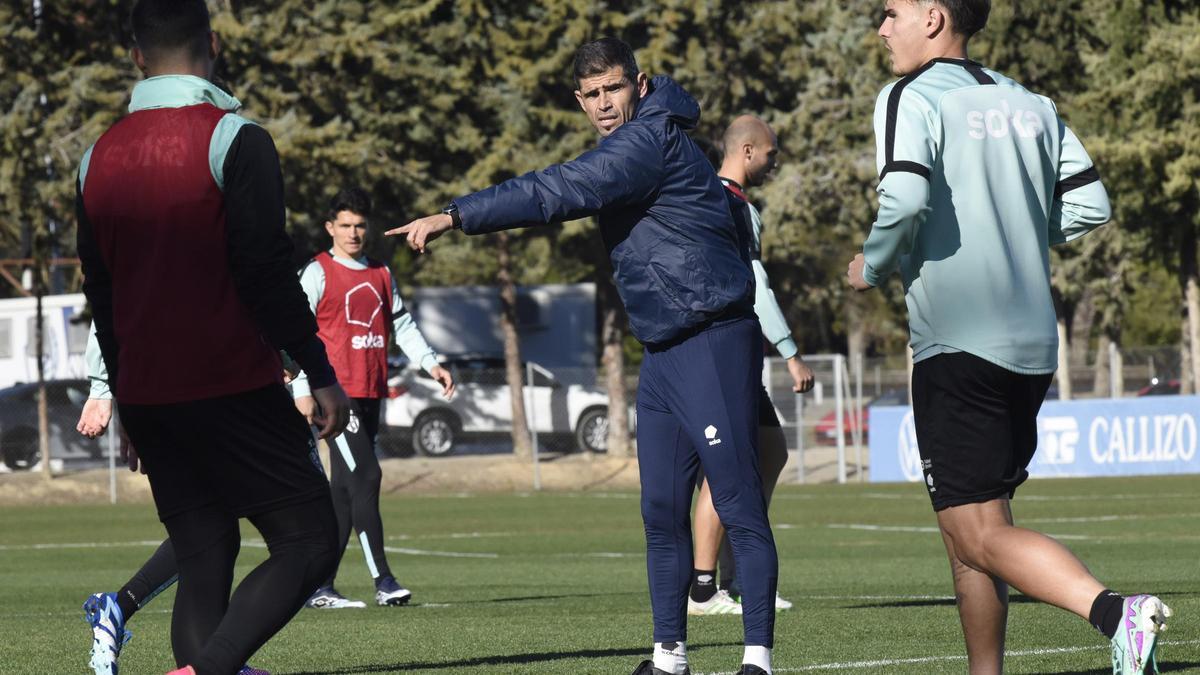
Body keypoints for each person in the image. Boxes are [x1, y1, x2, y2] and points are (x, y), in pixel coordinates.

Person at [389, 37, 778, 675]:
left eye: (614, 89)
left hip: (709, 339)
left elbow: (557, 190)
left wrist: (456, 215)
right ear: (579, 99)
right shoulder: (642, 141)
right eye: (592, 95)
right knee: (659, 510)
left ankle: (757, 659)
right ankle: (668, 657)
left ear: (640, 85)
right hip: (662, 350)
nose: (603, 104)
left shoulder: (647, 141)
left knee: (734, 500)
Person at [846, 2, 1170, 674]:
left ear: (933, 17)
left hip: (958, 340)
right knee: (970, 533)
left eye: (891, 13)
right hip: (1029, 345)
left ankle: (1115, 612)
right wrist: (1015, 227)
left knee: (978, 531)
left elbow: (903, 198)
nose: (881, 28)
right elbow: (1089, 203)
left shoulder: (909, 94)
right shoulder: (1029, 101)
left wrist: (871, 265)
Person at [75, 1, 351, 673]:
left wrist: (125, 397)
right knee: (311, 537)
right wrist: (319, 371)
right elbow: (265, 274)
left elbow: (102, 295)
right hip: (229, 380)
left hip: (150, 395)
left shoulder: (95, 157)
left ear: (137, 56)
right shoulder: (236, 138)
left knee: (205, 548)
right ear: (215, 44)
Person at [291, 187, 455, 609]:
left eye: (360, 225)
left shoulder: (381, 272)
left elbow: (402, 325)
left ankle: (319, 585)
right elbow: (292, 334)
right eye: (344, 225)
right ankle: (383, 580)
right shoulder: (317, 272)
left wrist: (431, 364)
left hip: (371, 391)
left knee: (346, 491)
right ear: (330, 228)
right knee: (368, 477)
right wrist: (302, 388)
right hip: (335, 398)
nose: (353, 232)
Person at [77, 326, 270, 675]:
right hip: (176, 391)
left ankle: (207, 659)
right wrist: (102, 389)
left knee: (215, 526)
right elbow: (108, 303)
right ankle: (202, 657)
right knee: (225, 528)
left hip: (209, 386)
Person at [687, 115, 814, 618]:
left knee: (769, 451)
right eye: (770, 153)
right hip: (725, 353)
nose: (775, 161)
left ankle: (737, 577)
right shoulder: (733, 204)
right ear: (746, 150)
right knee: (727, 469)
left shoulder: (720, 199)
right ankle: (702, 588)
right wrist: (790, 350)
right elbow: (754, 284)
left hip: (735, 354)